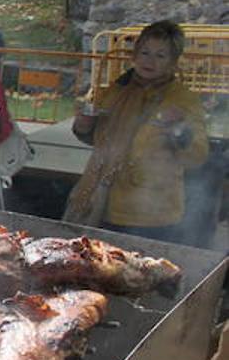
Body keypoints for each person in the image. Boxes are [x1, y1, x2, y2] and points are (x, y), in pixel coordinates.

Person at [66, 20, 207, 242]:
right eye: (145, 52)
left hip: (149, 214)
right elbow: (102, 140)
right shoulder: (118, 89)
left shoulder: (182, 99)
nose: (149, 60)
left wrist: (179, 130)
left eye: (161, 55)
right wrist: (83, 126)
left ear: (173, 62)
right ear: (135, 54)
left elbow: (197, 156)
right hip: (99, 200)